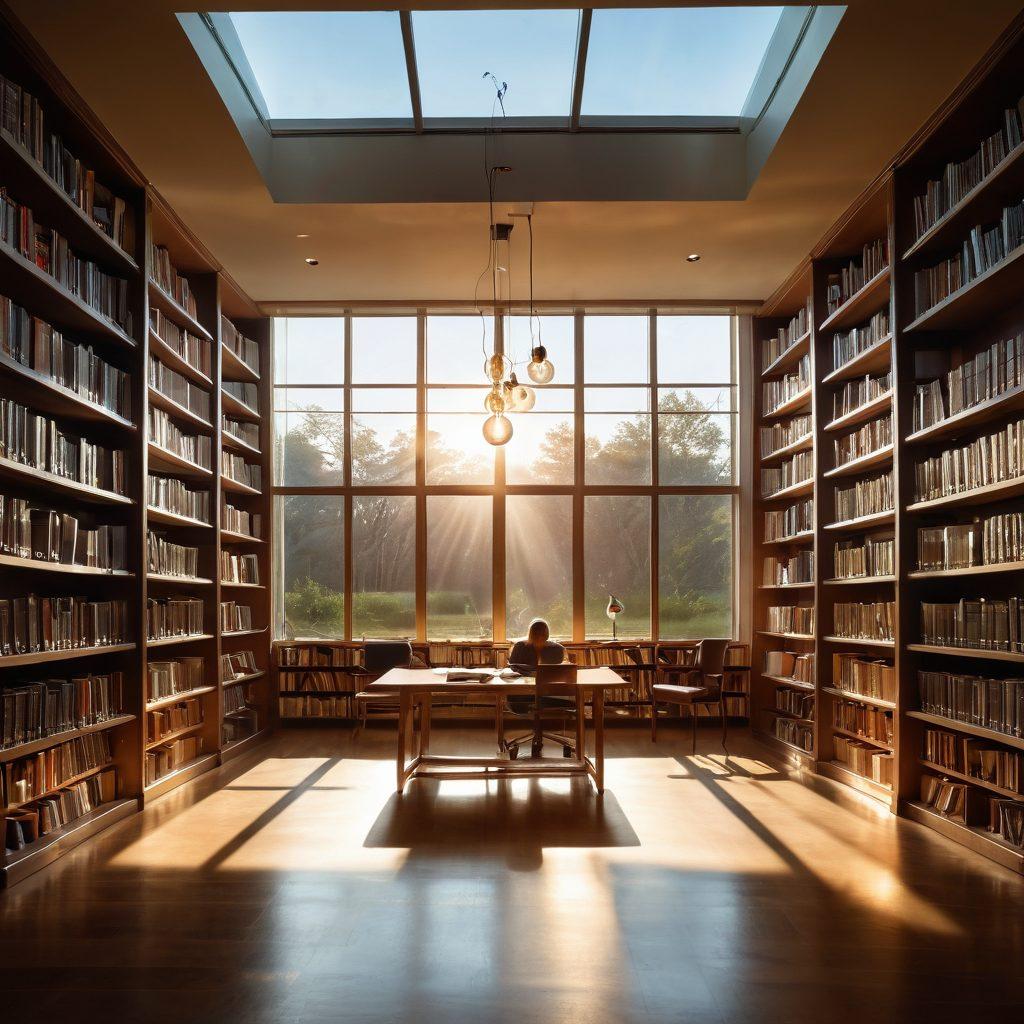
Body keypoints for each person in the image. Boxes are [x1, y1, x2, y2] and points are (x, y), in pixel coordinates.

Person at [505, 619, 569, 757]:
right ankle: (537, 735)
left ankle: (537, 735)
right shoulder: (520, 647)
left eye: (542, 634)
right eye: (537, 634)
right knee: (531, 700)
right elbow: (511, 671)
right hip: (524, 696)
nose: (539, 637)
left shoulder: (557, 649)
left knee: (539, 699)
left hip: (548, 696)